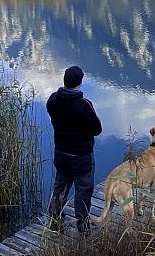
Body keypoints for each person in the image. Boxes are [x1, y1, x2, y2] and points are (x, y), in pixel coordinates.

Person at [46, 66, 102, 234]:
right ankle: (83, 228)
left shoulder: (53, 100)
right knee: (83, 190)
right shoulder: (84, 105)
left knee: (60, 186)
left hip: (61, 153)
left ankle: (54, 222)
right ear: (80, 82)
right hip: (81, 156)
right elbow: (97, 129)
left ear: (65, 80)